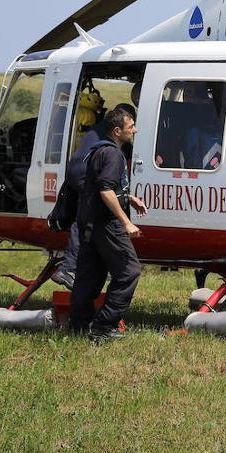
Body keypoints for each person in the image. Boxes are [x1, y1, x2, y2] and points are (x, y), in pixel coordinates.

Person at [67, 107, 147, 342]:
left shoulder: (98, 150)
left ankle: (79, 326)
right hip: (107, 224)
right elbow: (105, 190)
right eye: (131, 127)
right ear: (117, 131)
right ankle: (104, 326)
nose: (135, 130)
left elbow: (101, 185)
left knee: (90, 275)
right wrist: (126, 222)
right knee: (129, 271)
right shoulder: (113, 154)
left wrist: (128, 197)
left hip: (90, 222)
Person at [52, 102, 137, 288]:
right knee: (87, 216)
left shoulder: (102, 127)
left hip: (76, 168)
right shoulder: (116, 138)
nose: (134, 129)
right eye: (132, 125)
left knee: (85, 215)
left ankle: (83, 265)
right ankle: (68, 268)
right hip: (86, 170)